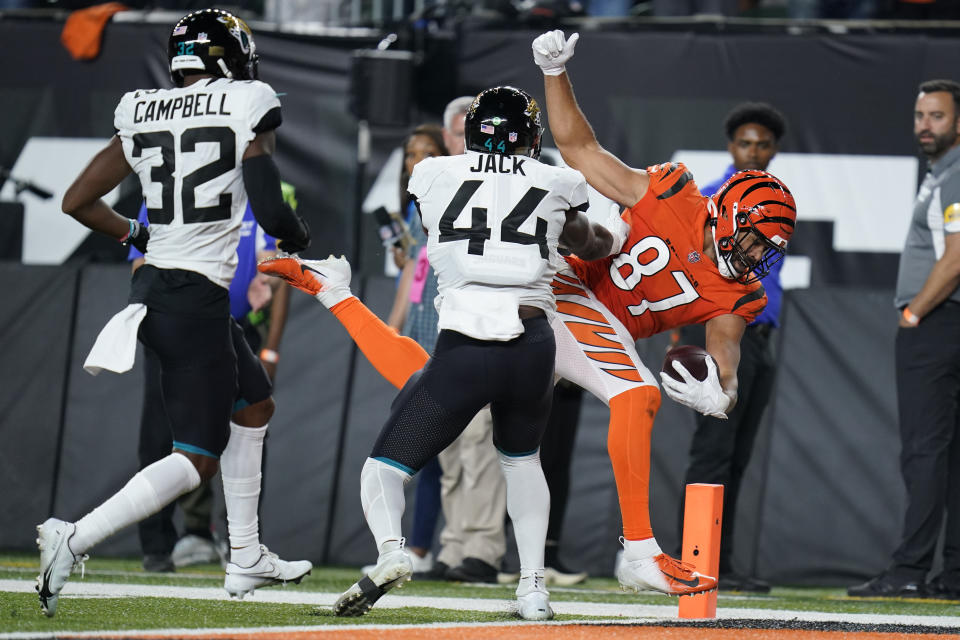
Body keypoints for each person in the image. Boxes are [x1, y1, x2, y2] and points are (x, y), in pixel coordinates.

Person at [263, 86, 616, 619]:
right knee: (522, 464)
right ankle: (533, 588)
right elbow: (589, 243)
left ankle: (392, 551)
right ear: (532, 138)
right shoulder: (559, 180)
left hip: (464, 345)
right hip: (531, 344)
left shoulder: (431, 174)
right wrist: (612, 234)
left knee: (384, 467)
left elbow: (435, 233)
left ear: (470, 134)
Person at [36, 8, 312, 617]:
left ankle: (245, 555)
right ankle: (72, 538)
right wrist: (296, 240)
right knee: (196, 457)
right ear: (229, 57)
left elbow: (77, 201)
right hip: (191, 298)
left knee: (255, 402)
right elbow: (268, 204)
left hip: (169, 288)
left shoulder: (142, 108)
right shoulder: (248, 100)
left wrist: (138, 231)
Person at [130, 191, 293, 572]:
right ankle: (155, 543)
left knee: (255, 413)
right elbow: (138, 263)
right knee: (162, 432)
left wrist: (273, 279)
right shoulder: (161, 192)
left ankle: (244, 544)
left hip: (230, 327)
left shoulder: (255, 193)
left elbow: (272, 265)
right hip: (176, 323)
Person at [848, 79, 960, 600]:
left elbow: (957, 255)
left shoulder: (954, 175)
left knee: (924, 451)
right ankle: (953, 572)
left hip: (938, 326)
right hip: (947, 325)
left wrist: (916, 311)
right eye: (920, 116)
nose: (924, 125)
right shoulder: (943, 174)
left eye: (936, 116)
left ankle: (911, 568)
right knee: (949, 454)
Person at [674, 102, 788, 593]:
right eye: (745, 142)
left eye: (763, 144)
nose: (754, 151)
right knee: (713, 452)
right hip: (718, 335)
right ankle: (697, 560)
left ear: (774, 149)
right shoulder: (709, 199)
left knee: (737, 456)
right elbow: (685, 268)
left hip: (760, 338)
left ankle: (724, 563)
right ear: (730, 146)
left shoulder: (777, 203)